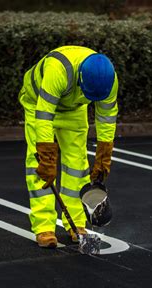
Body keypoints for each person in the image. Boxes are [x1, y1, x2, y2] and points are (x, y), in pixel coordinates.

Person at [18, 45, 118, 248]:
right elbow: (44, 117)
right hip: (38, 103)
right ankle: (44, 226)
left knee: (77, 165)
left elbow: (106, 118)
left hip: (73, 108)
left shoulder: (109, 80)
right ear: (80, 78)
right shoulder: (58, 70)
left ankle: (76, 224)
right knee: (39, 164)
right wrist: (46, 157)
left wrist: (103, 155)